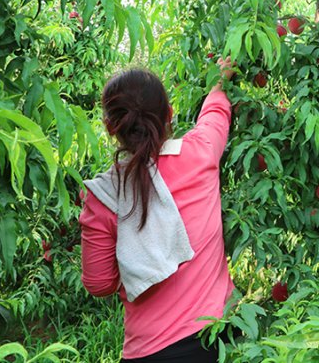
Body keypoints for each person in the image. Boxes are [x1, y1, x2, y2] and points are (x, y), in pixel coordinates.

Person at [78, 56, 237, 362]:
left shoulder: (103, 194)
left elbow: (99, 284)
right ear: (169, 114)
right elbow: (215, 111)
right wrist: (220, 78)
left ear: (111, 127)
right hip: (216, 341)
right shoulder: (201, 153)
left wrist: (136, 258)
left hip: (148, 351)